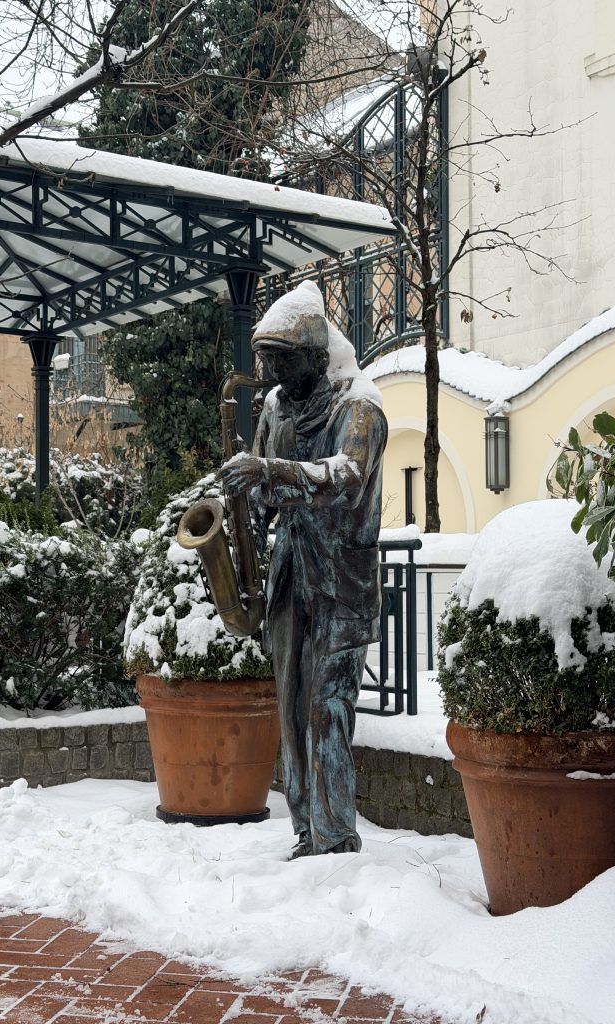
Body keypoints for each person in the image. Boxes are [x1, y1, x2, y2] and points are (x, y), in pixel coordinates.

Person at [219, 282, 387, 858]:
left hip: (343, 582)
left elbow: (347, 477)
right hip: (293, 574)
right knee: (291, 709)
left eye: (283, 362)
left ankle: (336, 839)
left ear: (316, 356)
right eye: (266, 362)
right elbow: (266, 494)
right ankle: (304, 832)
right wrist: (245, 496)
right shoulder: (273, 408)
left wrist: (269, 468)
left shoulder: (359, 404)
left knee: (328, 709)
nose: (271, 375)